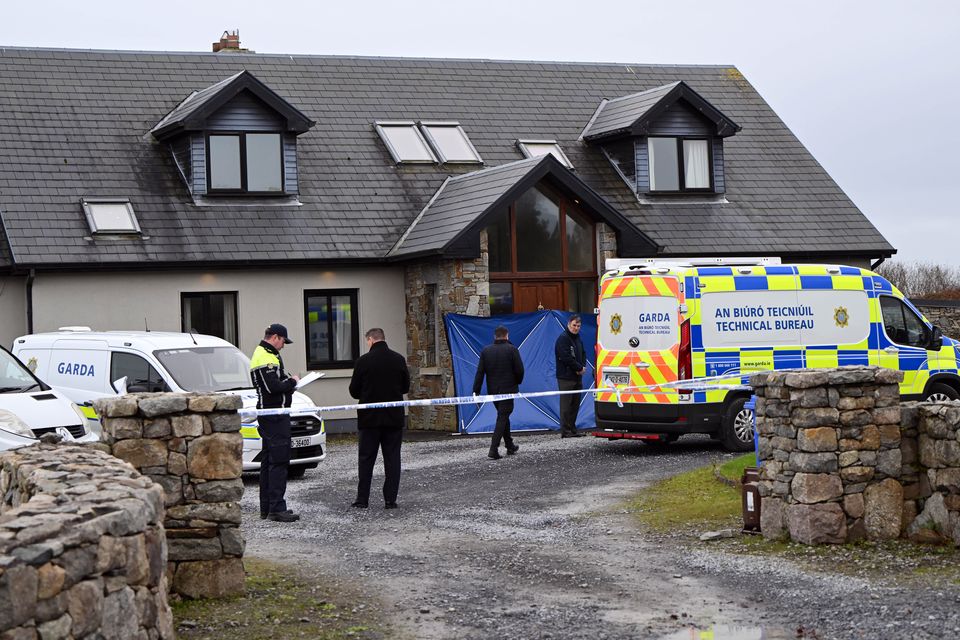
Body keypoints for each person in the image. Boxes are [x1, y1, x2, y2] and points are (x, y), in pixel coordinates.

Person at [349, 328, 410, 509]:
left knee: (366, 458)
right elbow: (405, 387)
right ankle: (390, 499)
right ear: (383, 338)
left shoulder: (363, 361)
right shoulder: (398, 359)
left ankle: (362, 499)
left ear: (370, 340)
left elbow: (354, 391)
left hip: (369, 419)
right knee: (392, 458)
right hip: (393, 417)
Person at [250, 323, 300, 522]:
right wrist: (293, 382)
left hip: (271, 414)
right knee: (278, 460)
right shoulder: (265, 355)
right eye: (283, 341)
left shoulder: (265, 353)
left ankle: (268, 507)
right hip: (274, 416)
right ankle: (276, 507)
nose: (284, 346)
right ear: (276, 337)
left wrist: (288, 386)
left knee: (269, 461)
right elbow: (273, 387)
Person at [473, 325, 525, 460]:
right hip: (508, 390)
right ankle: (493, 449)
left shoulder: (486, 351)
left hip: (493, 391)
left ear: (494, 337)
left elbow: (480, 372)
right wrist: (517, 382)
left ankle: (510, 446)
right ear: (507, 336)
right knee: (502, 418)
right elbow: (520, 370)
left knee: (503, 416)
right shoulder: (512, 350)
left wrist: (476, 391)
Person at [555, 314, 586, 438]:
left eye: (578, 326)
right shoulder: (563, 339)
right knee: (566, 405)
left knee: (575, 404)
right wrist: (578, 368)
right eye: (574, 325)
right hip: (566, 377)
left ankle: (573, 428)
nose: (576, 328)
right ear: (569, 324)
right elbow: (565, 357)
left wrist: (582, 367)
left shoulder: (578, 338)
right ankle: (565, 431)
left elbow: (583, 353)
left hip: (577, 376)